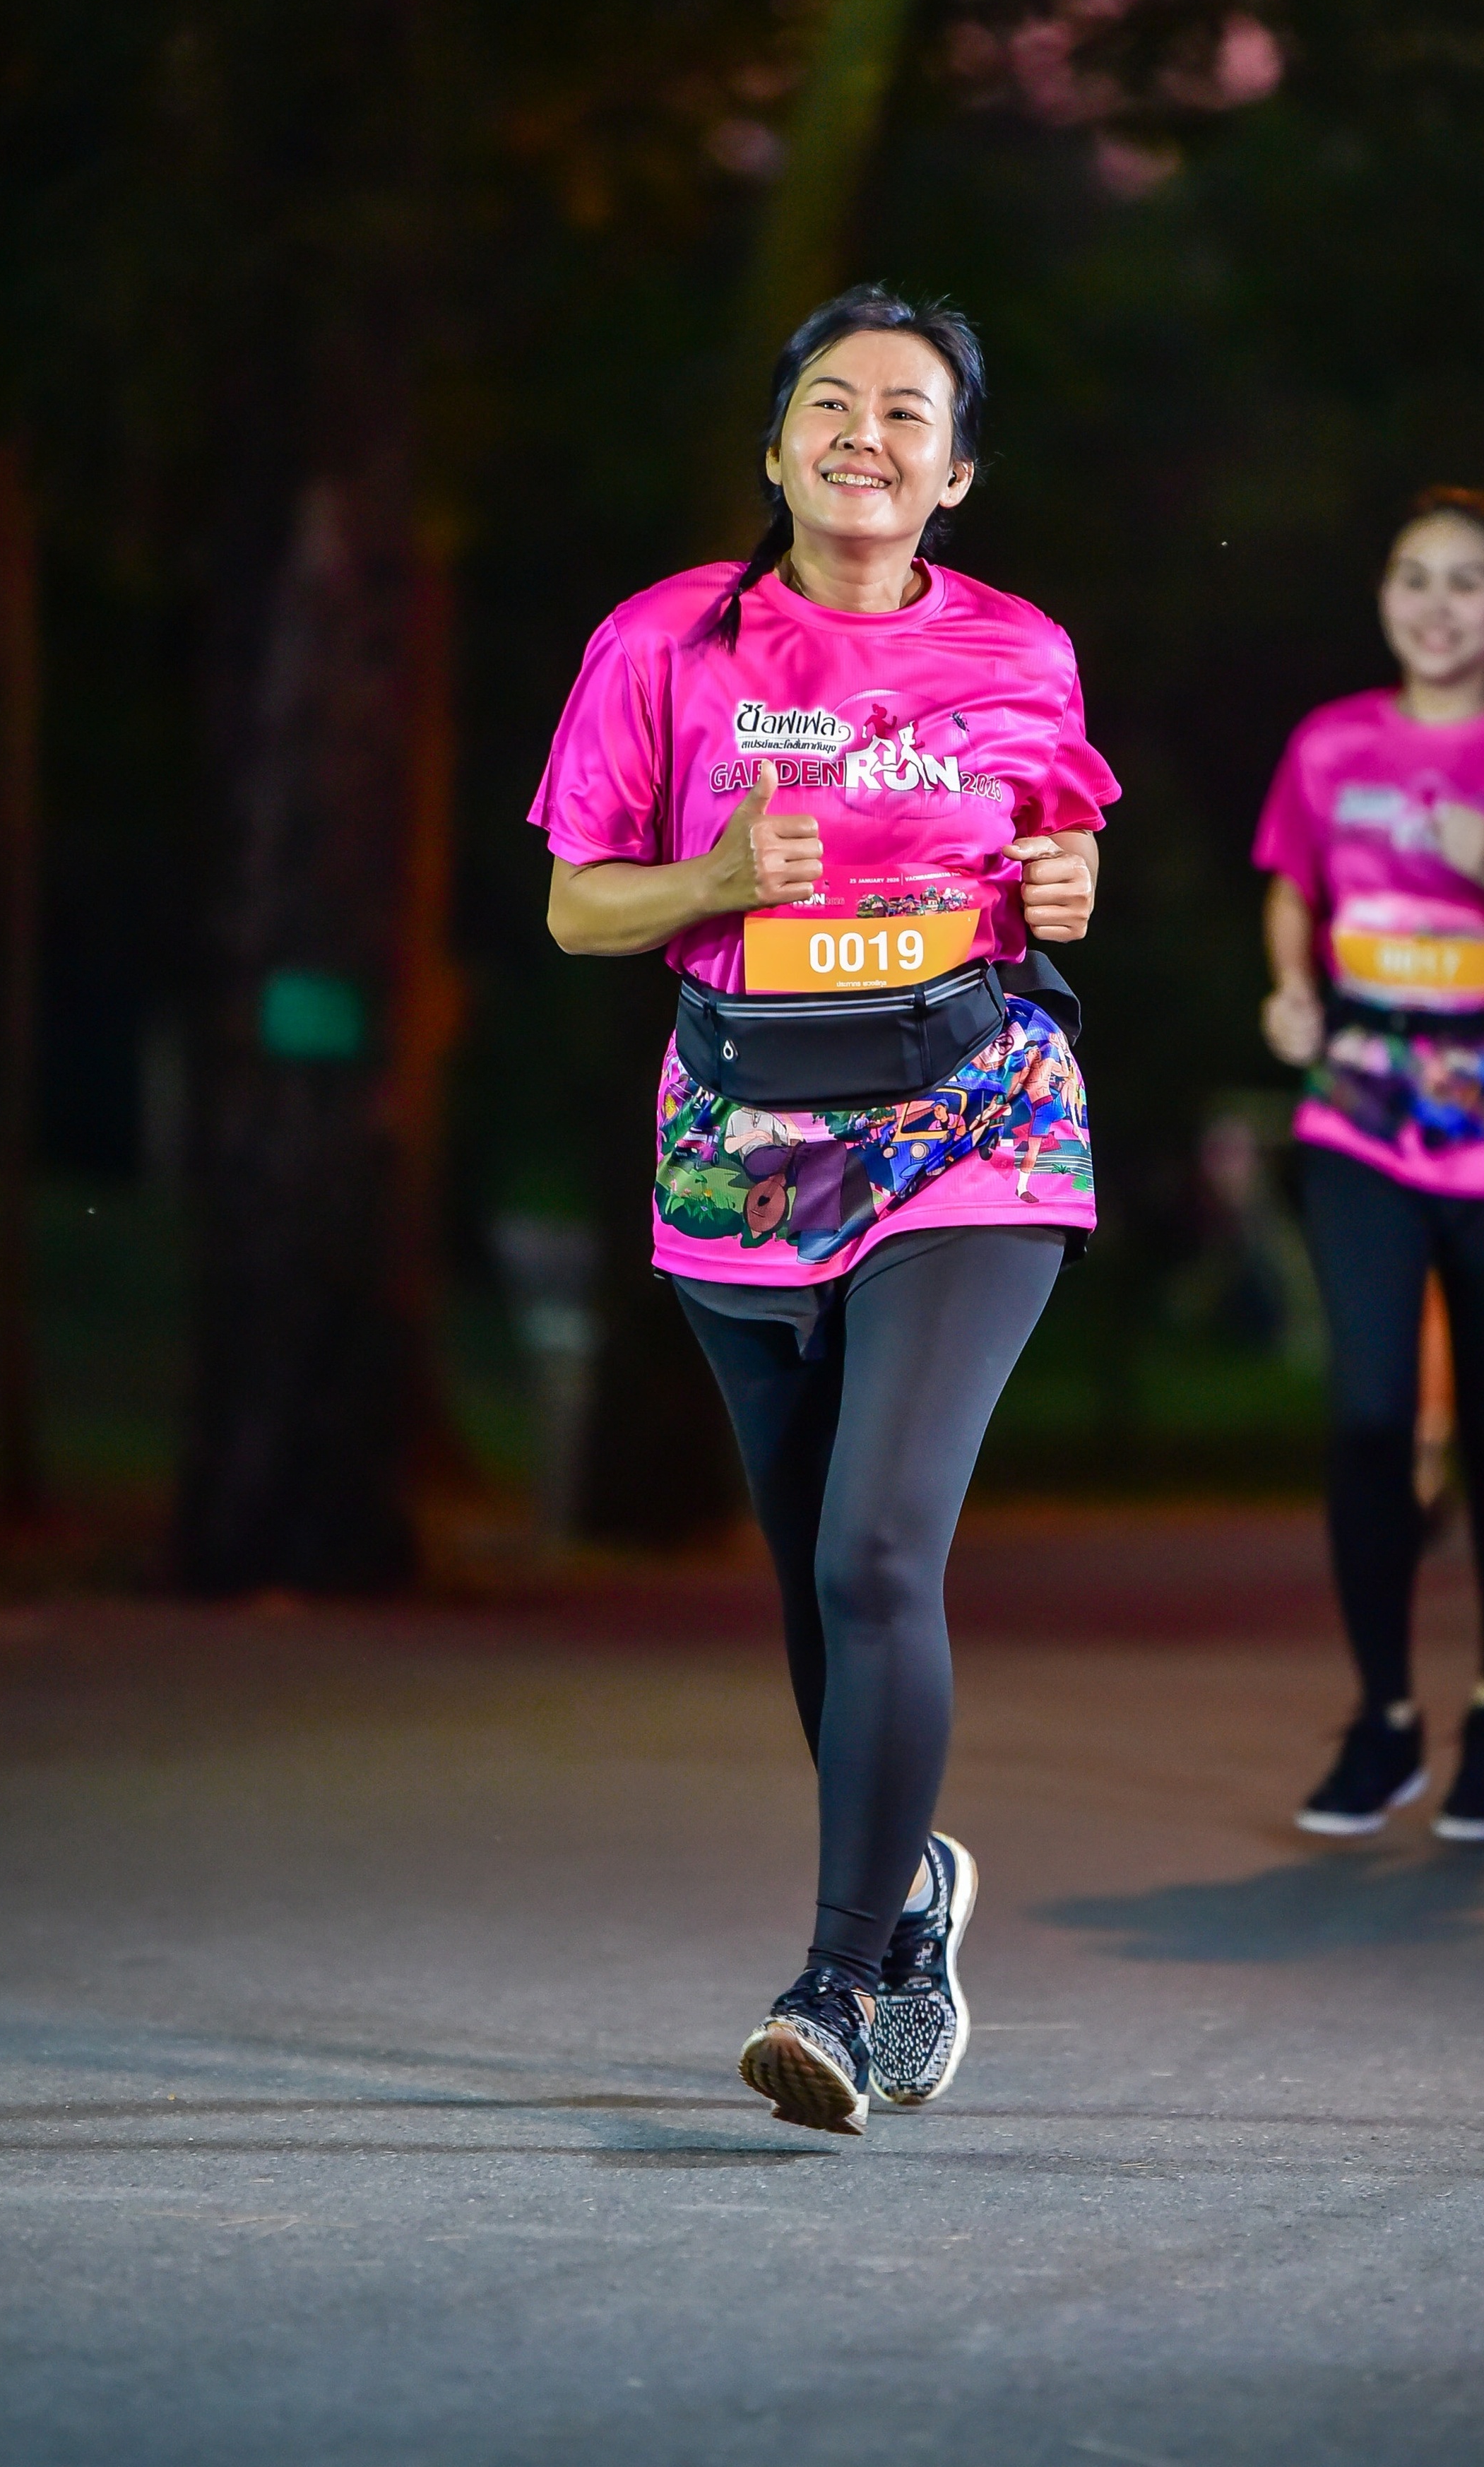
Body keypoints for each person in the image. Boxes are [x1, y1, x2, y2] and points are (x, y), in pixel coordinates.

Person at [530, 285, 1118, 2134]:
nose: (868, 435)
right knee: (813, 1580)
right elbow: (576, 906)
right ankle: (913, 1889)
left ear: (958, 472)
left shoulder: (1022, 648)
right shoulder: (667, 641)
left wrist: (1069, 888)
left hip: (972, 1118)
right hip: (742, 1140)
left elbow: (1059, 857)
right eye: (832, 404)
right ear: (777, 445)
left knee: (877, 1551)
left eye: (909, 411)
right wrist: (708, 875)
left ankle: (839, 1986)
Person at [1254, 487, 1484, 1844]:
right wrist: (1292, 989)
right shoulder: (1329, 743)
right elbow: (1292, 886)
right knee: (1369, 1416)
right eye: (1413, 577)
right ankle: (1384, 1721)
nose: (1435, 605)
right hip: (1362, 1098)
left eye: (1466, 581)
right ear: (1383, 596)